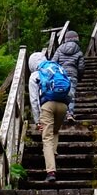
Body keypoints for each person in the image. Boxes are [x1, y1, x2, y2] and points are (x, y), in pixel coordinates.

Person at [28, 50, 67, 185]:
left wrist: (37, 120)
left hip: (47, 107)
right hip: (63, 105)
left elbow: (34, 100)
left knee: (47, 138)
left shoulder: (35, 75)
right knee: (54, 132)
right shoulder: (57, 69)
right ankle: (52, 154)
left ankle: (51, 171)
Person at [52, 29, 85, 121]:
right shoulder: (79, 51)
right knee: (71, 95)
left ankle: (60, 114)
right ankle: (70, 113)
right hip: (72, 75)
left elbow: (53, 62)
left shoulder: (59, 49)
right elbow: (81, 67)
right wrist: (80, 77)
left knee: (61, 94)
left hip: (61, 75)